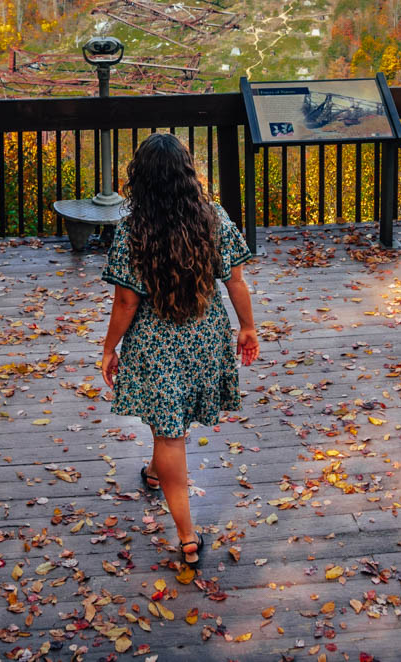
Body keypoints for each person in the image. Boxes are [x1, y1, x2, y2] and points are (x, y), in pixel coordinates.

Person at [100, 132, 259, 567]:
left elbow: (126, 301)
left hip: (157, 345)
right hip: (204, 337)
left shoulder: (133, 229)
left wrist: (109, 348)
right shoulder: (213, 218)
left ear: (142, 178)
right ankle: (154, 473)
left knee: (170, 433)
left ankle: (187, 536)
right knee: (169, 424)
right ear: (188, 174)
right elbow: (236, 280)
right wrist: (247, 327)